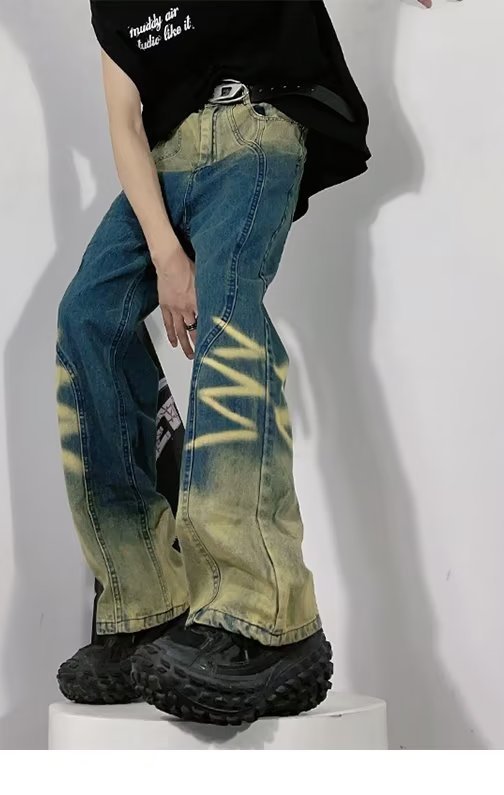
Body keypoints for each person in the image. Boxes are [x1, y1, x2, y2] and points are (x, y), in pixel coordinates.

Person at [54, 0, 431, 727]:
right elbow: (125, 125)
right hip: (166, 159)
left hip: (255, 131)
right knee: (87, 318)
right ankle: (145, 602)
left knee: (227, 312)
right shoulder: (112, 5)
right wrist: (167, 256)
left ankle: (263, 612)